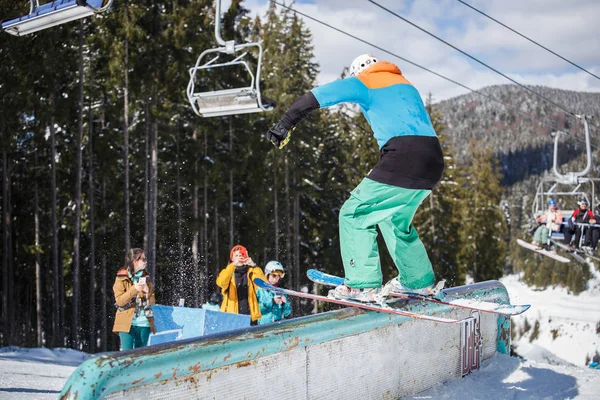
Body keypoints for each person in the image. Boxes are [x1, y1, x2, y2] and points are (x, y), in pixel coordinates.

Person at [265, 54, 444, 302]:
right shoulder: (405, 84)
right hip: (433, 160)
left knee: (354, 214)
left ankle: (362, 284)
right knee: (394, 218)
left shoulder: (365, 81)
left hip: (403, 155)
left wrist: (286, 123)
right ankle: (418, 281)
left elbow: (317, 96)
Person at [112, 248, 156, 350]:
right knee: (127, 356)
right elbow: (120, 301)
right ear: (134, 261)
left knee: (140, 357)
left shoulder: (146, 278)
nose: (146, 261)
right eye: (143, 259)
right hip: (126, 323)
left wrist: (147, 293)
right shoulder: (121, 278)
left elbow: (152, 302)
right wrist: (134, 289)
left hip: (144, 323)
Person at [216, 245, 266, 324]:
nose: (239, 257)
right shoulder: (228, 272)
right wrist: (232, 265)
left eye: (241, 255)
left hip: (250, 317)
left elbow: (263, 284)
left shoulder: (251, 272)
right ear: (232, 258)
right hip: (232, 317)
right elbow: (221, 282)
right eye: (236, 255)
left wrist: (253, 265)